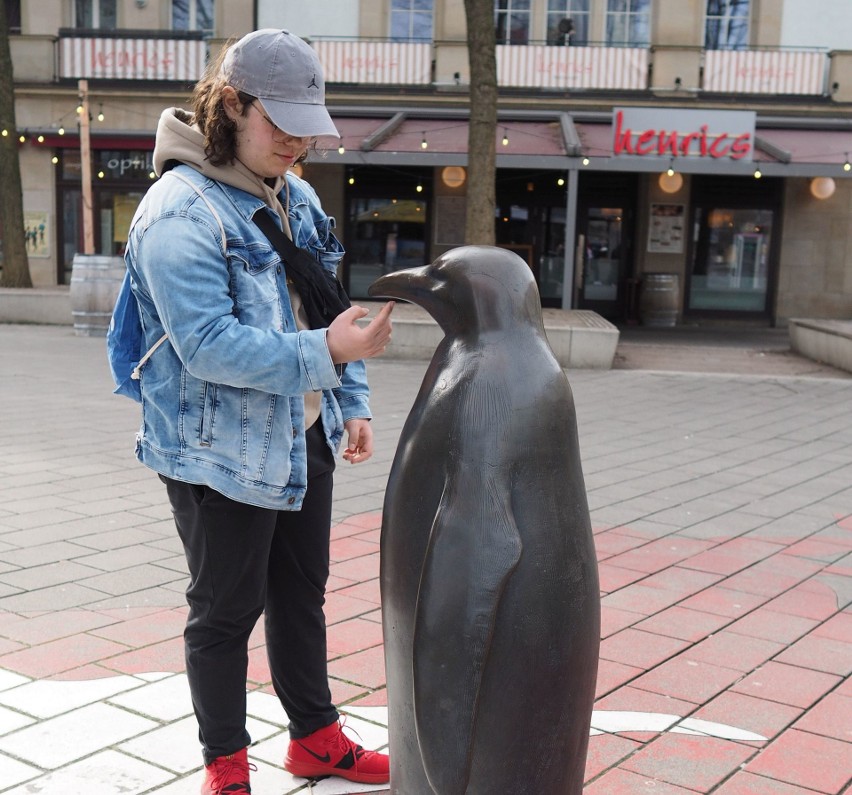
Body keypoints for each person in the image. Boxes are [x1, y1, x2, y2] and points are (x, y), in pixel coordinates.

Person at [120, 29, 393, 795]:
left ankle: (315, 739)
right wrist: (327, 358)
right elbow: (205, 345)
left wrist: (350, 400)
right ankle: (226, 768)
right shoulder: (179, 209)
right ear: (232, 105)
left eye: (310, 124)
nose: (300, 142)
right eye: (283, 123)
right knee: (224, 612)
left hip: (299, 432)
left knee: (300, 595)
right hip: (217, 451)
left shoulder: (293, 194)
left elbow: (325, 306)